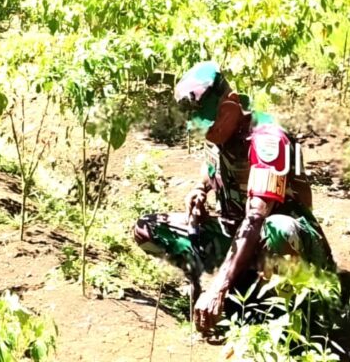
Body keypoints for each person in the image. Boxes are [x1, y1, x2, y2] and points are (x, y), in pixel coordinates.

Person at [133, 61, 335, 334]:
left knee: (277, 228)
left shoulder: (267, 140)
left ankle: (277, 316)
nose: (204, 132)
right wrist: (199, 192)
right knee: (148, 228)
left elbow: (255, 219)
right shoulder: (220, 137)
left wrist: (218, 287)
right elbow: (211, 171)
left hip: (290, 245)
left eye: (208, 123)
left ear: (229, 109)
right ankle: (234, 288)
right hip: (239, 238)